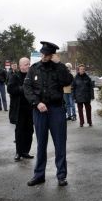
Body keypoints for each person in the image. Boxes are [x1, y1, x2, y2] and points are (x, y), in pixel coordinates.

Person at [24, 41, 73, 187]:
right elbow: (27, 88)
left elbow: (67, 81)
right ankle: (39, 175)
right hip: (39, 110)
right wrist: (36, 102)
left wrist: (60, 65)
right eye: (43, 54)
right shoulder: (34, 69)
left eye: (47, 55)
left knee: (60, 143)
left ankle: (61, 176)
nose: (44, 57)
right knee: (41, 144)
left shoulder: (58, 68)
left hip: (56, 109)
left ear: (52, 55)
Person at [7, 57, 34, 162]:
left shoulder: (31, 76)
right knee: (19, 131)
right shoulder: (14, 76)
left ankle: (26, 151)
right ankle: (18, 152)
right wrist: (24, 88)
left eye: (29, 64)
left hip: (30, 108)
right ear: (21, 66)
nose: (28, 66)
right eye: (26, 64)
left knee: (29, 130)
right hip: (19, 108)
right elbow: (10, 89)